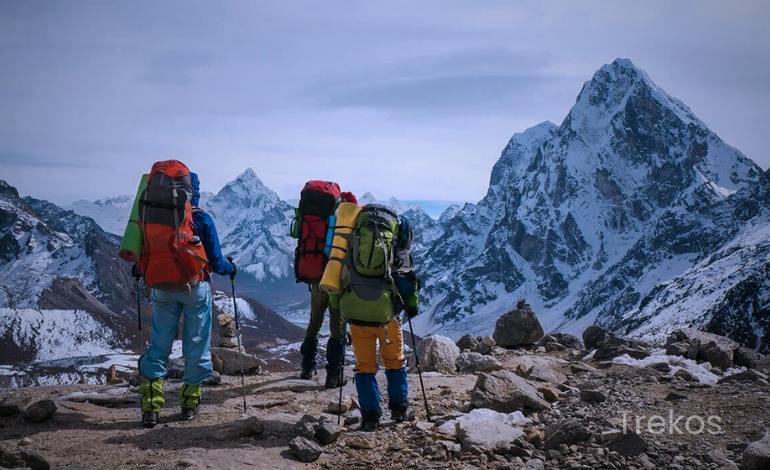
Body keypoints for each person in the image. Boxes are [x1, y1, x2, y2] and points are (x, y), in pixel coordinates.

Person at [137, 169, 235, 428]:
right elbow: (216, 261)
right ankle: (189, 404)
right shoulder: (200, 219)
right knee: (196, 345)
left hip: (162, 288)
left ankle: (150, 407)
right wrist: (230, 267)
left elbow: (139, 253)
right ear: (194, 192)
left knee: (159, 345)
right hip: (195, 289)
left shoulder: (150, 215)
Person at [328, 204, 420, 431]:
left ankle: (370, 417)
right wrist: (411, 305)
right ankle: (399, 409)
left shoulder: (353, 241)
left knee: (365, 366)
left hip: (357, 314)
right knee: (395, 361)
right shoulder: (395, 243)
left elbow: (339, 274)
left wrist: (336, 304)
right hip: (385, 315)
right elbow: (406, 278)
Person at [296, 188, 358, 388]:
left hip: (316, 276)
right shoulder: (346, 221)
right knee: (337, 327)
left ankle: (307, 367)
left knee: (314, 321)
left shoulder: (321, 217)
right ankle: (333, 375)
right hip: (336, 279)